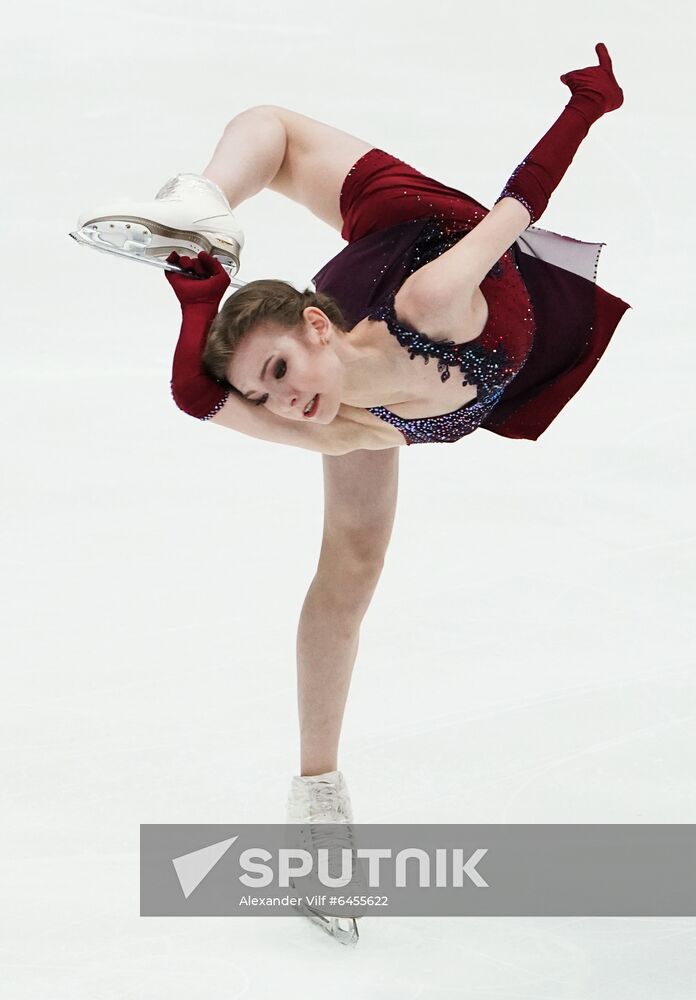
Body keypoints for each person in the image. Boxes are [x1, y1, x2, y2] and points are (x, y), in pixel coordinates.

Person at [74, 42, 631, 945]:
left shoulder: (439, 296)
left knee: (283, 131)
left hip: (417, 236)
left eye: (280, 371)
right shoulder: (326, 410)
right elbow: (199, 397)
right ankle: (318, 808)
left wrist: (587, 106)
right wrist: (195, 296)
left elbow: (521, 203)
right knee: (349, 574)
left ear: (314, 327)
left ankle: (210, 210)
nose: (279, 402)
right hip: (372, 396)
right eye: (265, 392)